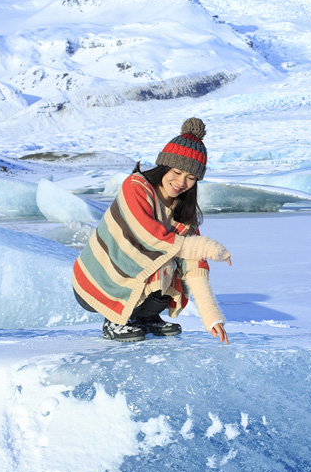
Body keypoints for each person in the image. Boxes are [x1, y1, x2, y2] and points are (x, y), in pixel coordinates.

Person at [72, 117, 233, 343]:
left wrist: (211, 316)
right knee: (161, 256)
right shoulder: (136, 187)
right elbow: (148, 237)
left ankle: (145, 317)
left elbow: (193, 265)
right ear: (165, 165)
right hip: (98, 282)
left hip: (130, 285)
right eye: (176, 172)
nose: (181, 182)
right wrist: (206, 247)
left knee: (175, 262)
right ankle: (115, 320)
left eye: (191, 178)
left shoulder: (184, 215)